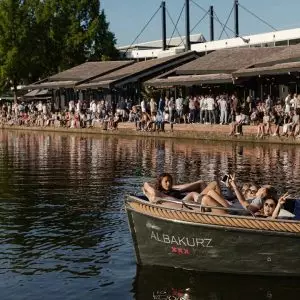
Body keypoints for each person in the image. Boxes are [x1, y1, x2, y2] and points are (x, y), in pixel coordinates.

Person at [143, 173, 230, 214]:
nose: (168, 183)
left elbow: (182, 187)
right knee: (196, 193)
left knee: (212, 185)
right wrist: (146, 185)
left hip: (189, 202)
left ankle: (224, 204)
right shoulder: (160, 193)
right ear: (160, 182)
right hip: (184, 204)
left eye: (170, 181)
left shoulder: (173, 189)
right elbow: (149, 189)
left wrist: (178, 188)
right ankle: (224, 206)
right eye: (166, 181)